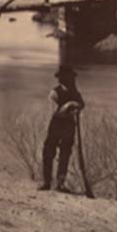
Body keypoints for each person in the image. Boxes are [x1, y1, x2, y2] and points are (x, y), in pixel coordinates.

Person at [39, 64, 84, 192]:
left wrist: (74, 106)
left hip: (69, 126)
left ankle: (60, 183)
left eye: (71, 77)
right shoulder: (54, 92)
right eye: (68, 77)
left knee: (65, 154)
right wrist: (69, 106)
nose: (71, 80)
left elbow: (82, 104)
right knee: (48, 153)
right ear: (61, 78)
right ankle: (47, 182)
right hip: (56, 125)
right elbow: (54, 112)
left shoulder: (75, 92)